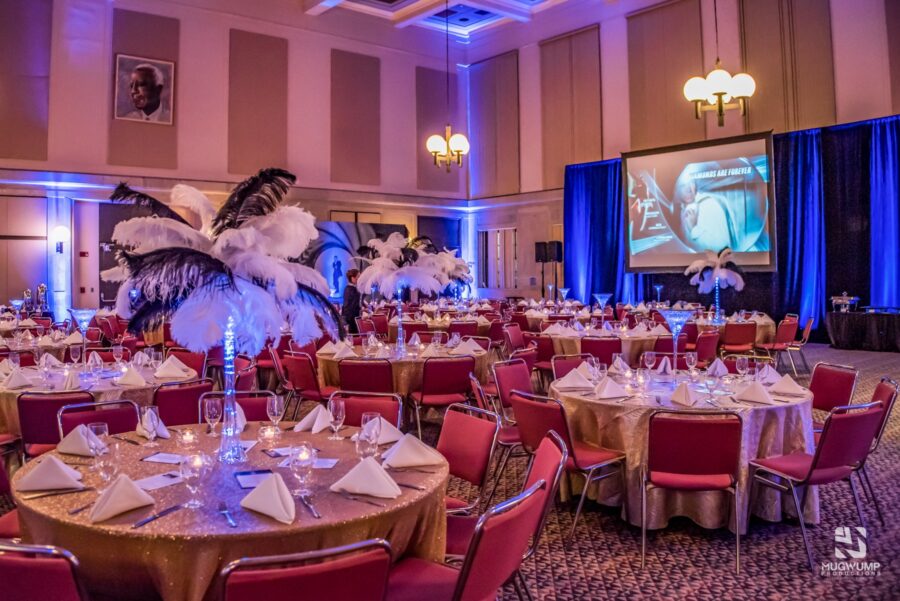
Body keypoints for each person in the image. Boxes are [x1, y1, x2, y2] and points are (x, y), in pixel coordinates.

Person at [342, 269, 361, 334]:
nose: (360, 278)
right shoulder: (352, 290)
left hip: (350, 317)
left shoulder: (348, 288)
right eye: (358, 276)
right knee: (353, 337)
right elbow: (352, 306)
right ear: (353, 278)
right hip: (351, 319)